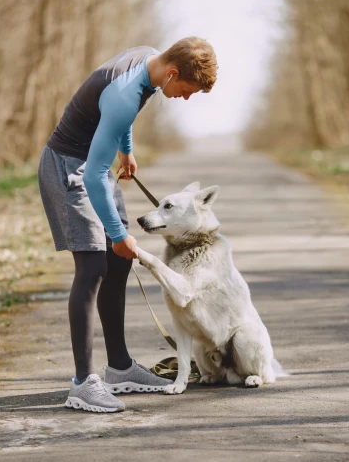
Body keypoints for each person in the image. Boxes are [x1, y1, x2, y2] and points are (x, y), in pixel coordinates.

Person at [37, 37, 218, 412]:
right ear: (172, 73)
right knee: (92, 266)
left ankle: (120, 369)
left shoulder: (148, 61)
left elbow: (122, 117)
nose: (186, 98)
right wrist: (118, 235)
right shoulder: (124, 94)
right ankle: (83, 384)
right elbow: (95, 171)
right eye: (187, 90)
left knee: (120, 261)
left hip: (94, 165)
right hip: (71, 169)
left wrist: (127, 148)